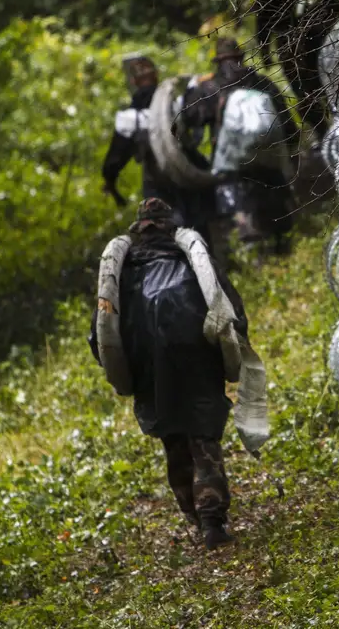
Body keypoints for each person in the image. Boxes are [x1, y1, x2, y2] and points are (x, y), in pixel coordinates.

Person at [88, 198, 246, 550]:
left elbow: (100, 331)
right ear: (169, 225)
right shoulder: (193, 259)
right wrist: (238, 348)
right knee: (202, 436)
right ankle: (211, 519)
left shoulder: (124, 270)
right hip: (197, 355)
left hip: (149, 365)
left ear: (140, 228)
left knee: (173, 438)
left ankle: (194, 512)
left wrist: (118, 366)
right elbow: (229, 306)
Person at [177, 37, 298, 255]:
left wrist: (191, 92)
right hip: (268, 168)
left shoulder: (209, 86)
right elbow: (289, 128)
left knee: (239, 229)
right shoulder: (264, 84)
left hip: (231, 172)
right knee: (277, 224)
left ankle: (250, 261)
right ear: (241, 58)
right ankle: (281, 256)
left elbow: (190, 117)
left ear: (218, 61)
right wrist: (288, 161)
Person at [102, 54, 215, 241]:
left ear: (134, 81)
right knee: (200, 232)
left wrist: (110, 181)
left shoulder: (131, 118)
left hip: (156, 183)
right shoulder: (175, 104)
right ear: (156, 76)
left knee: (161, 234)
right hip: (188, 177)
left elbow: (116, 157)